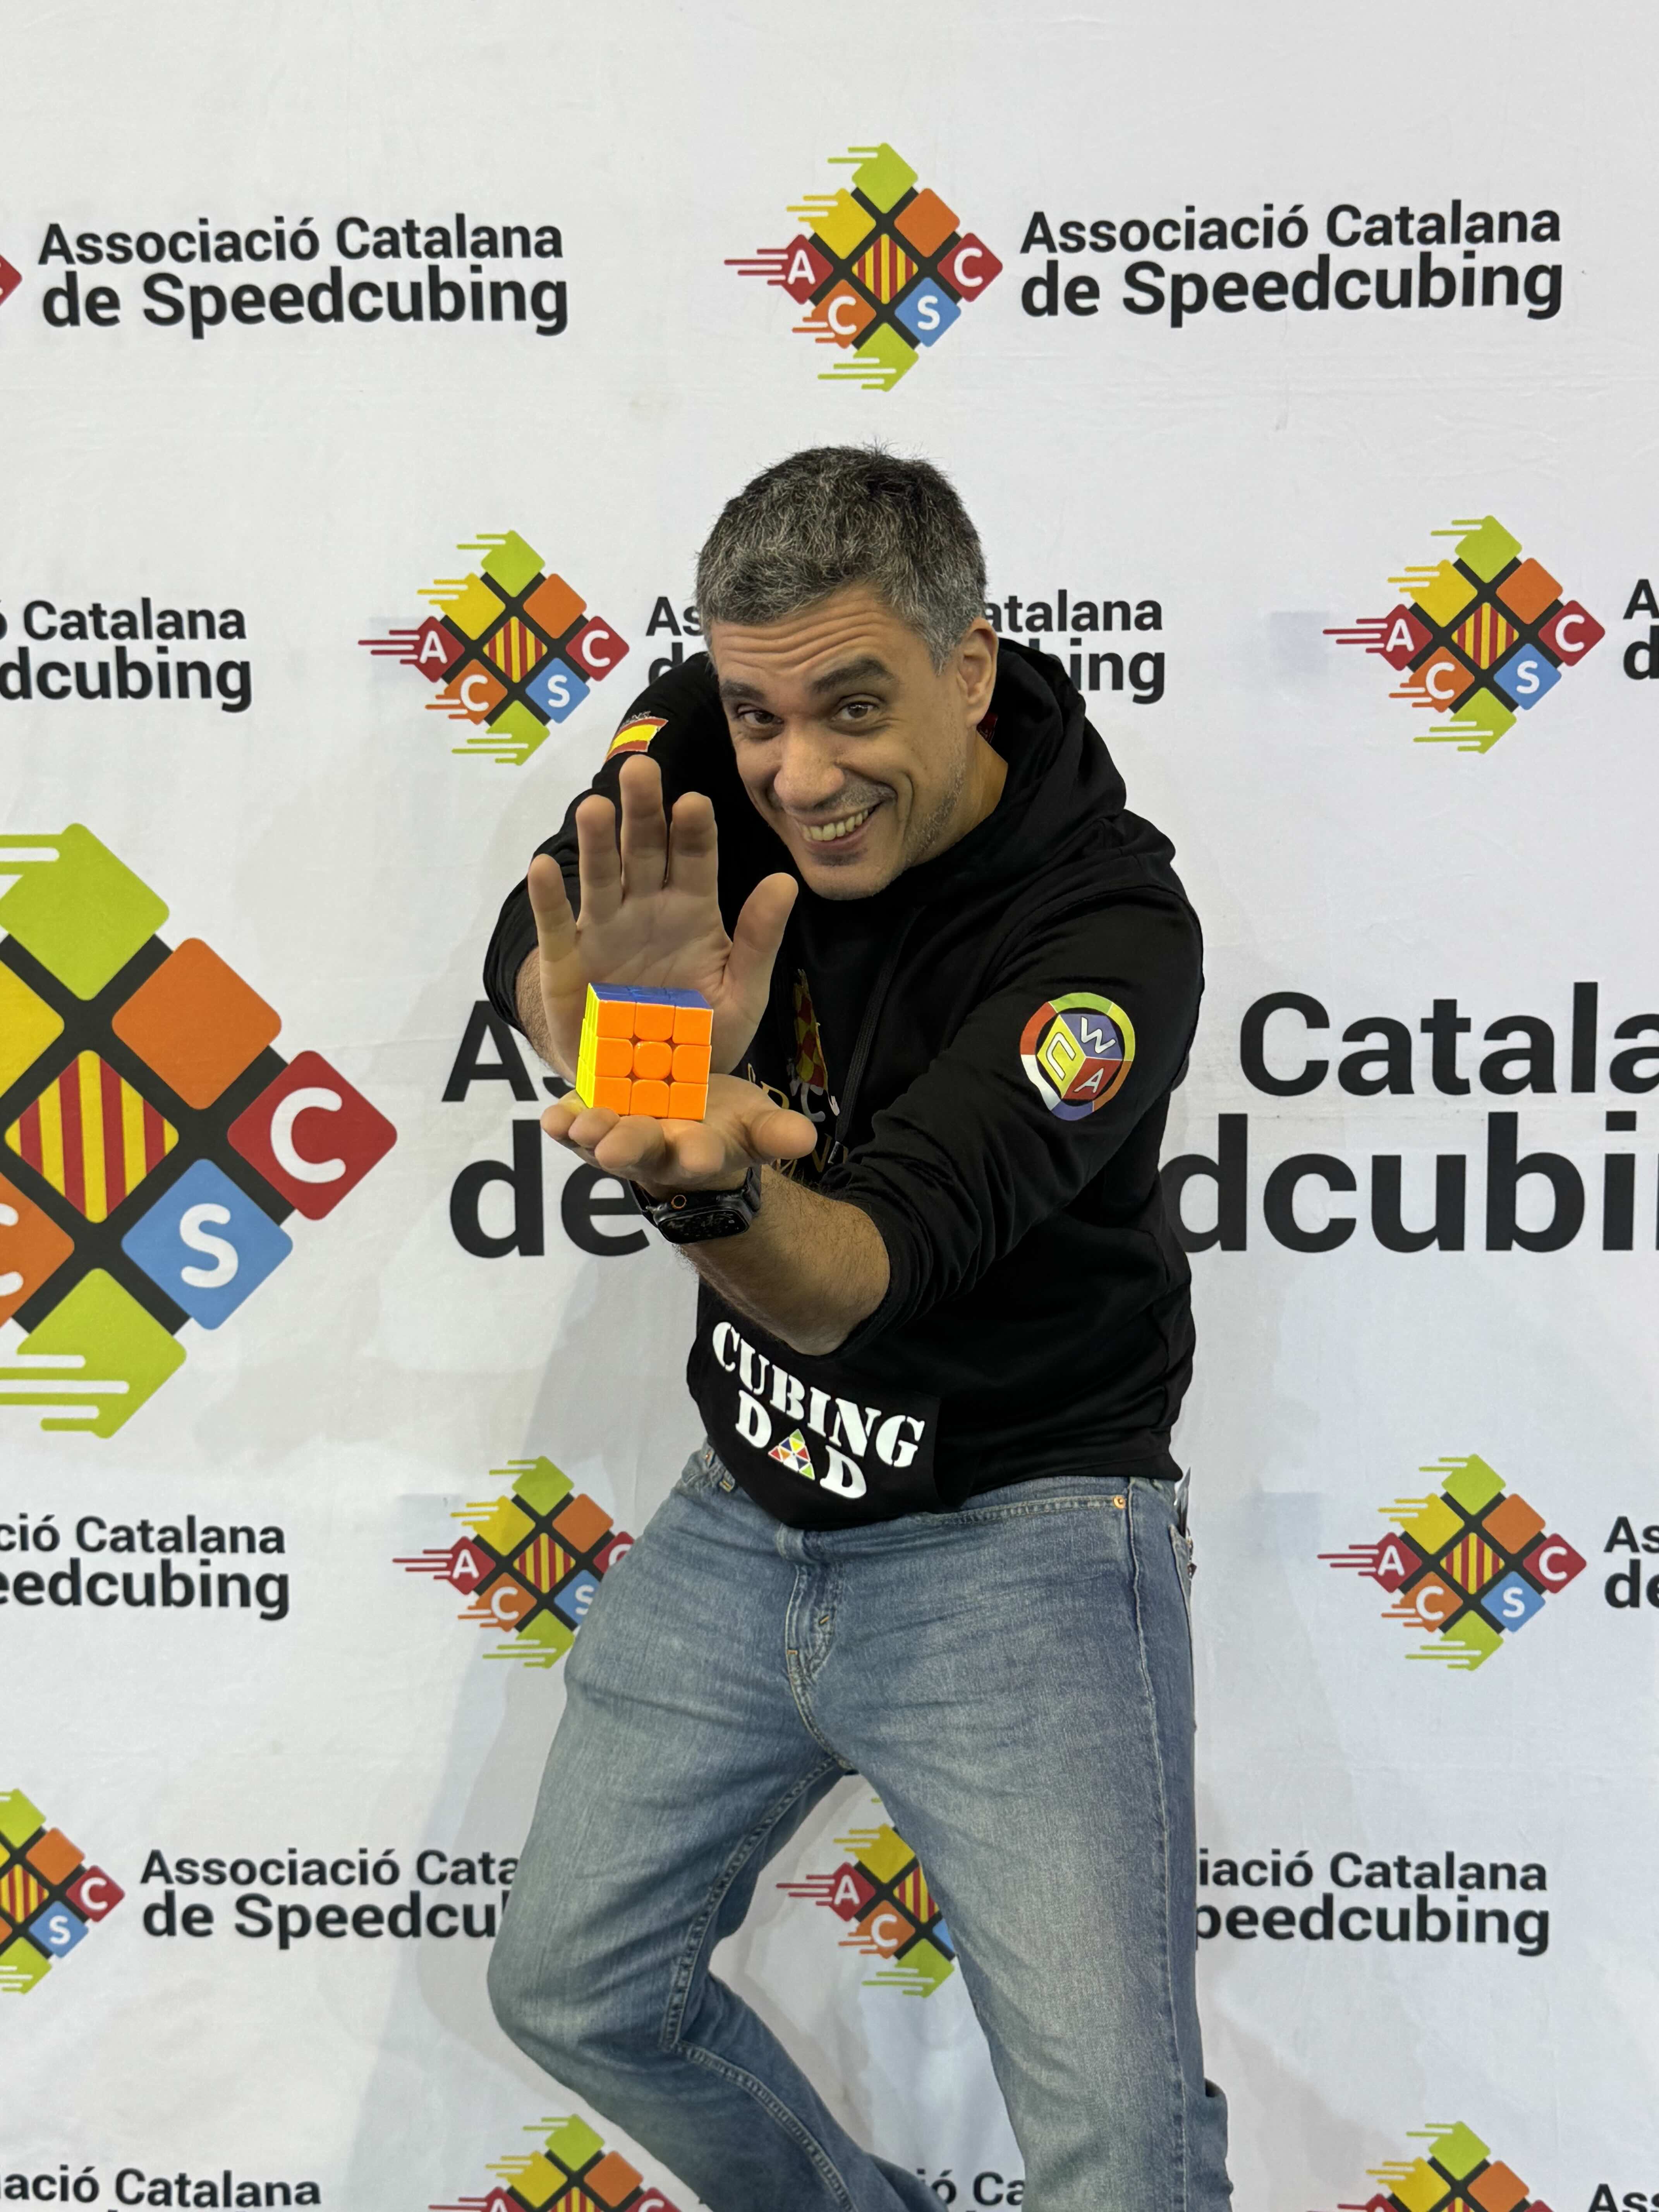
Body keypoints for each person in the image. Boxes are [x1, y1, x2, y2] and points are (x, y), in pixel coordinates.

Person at [481, 447, 1230, 2212]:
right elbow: (546, 961)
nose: (798, 776)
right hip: (747, 1516)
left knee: (1119, 2160)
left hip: (1022, 1541)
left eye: (852, 708)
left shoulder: (1111, 930)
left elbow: (854, 1281)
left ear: (967, 667)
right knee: (575, 1991)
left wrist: (704, 1184)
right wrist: (641, 1053)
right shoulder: (711, 728)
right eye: (759, 718)